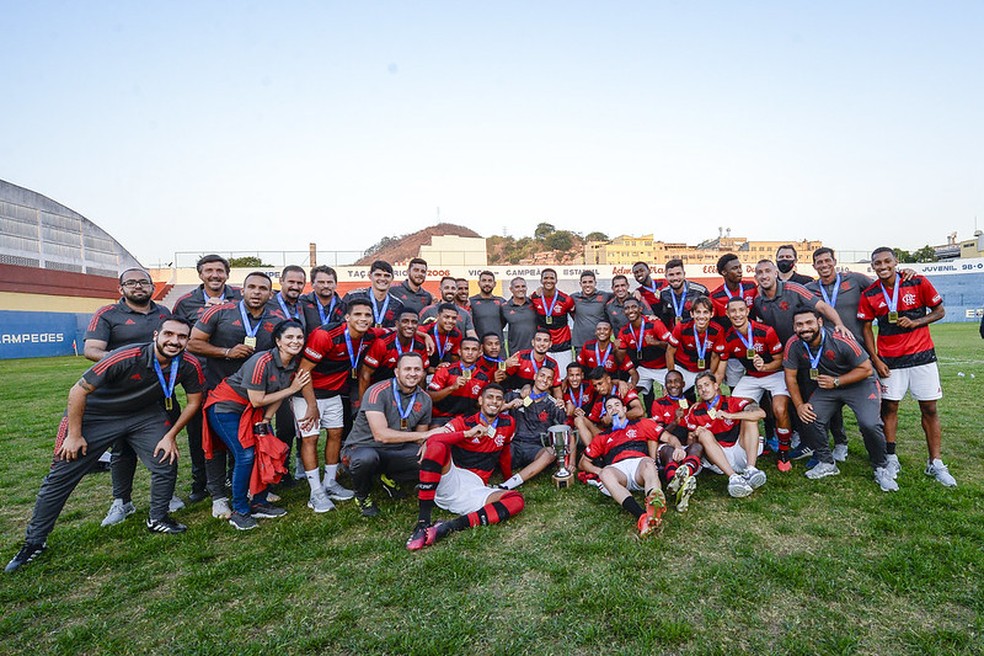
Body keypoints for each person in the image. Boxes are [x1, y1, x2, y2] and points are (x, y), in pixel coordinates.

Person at [5, 318, 204, 573]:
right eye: (169, 334)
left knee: (165, 458)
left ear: (188, 340)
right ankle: (35, 542)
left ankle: (158, 518)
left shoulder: (188, 363)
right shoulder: (125, 356)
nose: (174, 341)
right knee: (61, 476)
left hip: (144, 415)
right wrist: (74, 435)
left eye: (181, 337)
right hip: (97, 415)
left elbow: (193, 402)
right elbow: (77, 392)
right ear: (156, 334)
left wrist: (171, 435)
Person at [84, 269, 182, 525]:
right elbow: (91, 350)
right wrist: (131, 362)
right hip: (123, 393)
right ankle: (121, 501)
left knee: (165, 443)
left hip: (160, 391)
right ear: (121, 289)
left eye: (143, 282)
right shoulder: (107, 314)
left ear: (152, 286)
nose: (138, 287)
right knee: (122, 448)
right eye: (131, 283)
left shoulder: (163, 313)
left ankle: (166, 495)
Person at [189, 272, 285, 520]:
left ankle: (255, 492)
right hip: (221, 393)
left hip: (255, 396)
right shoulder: (220, 312)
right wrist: (226, 351)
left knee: (256, 446)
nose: (256, 292)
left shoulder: (277, 319)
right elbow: (192, 343)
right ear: (241, 290)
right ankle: (219, 497)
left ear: (270, 294)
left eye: (262, 288)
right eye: (251, 287)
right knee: (218, 447)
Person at [858, 247, 956, 487]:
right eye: (877, 263)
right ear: (872, 267)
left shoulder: (917, 281)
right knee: (889, 408)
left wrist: (916, 322)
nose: (882, 266)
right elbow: (866, 328)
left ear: (896, 262)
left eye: (887, 261)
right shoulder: (870, 293)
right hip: (890, 361)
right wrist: (876, 359)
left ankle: (935, 462)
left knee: (930, 409)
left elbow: (939, 311)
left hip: (923, 358)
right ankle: (891, 458)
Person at [204, 320, 311, 529]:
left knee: (266, 448)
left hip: (255, 411)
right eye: (289, 337)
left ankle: (260, 502)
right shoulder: (261, 361)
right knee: (246, 455)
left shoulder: (292, 363)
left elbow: (276, 396)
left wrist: (266, 420)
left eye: (299, 337)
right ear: (278, 341)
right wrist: (292, 389)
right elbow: (258, 399)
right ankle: (240, 510)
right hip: (226, 408)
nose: (295, 341)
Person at [783, 310, 899, 491]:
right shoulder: (794, 344)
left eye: (809, 323)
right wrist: (799, 405)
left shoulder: (841, 339)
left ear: (819, 322)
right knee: (809, 415)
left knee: (869, 424)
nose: (804, 328)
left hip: (860, 383)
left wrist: (837, 381)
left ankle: (881, 466)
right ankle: (827, 463)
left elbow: (866, 369)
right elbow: (790, 377)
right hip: (829, 386)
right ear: (793, 327)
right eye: (799, 325)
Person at [406, 383, 525, 550]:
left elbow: (505, 452)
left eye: (499, 399)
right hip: (452, 478)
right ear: (481, 400)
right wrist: (467, 434)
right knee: (437, 447)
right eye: (490, 397)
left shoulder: (508, 422)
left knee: (516, 500)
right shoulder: (466, 421)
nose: (494, 402)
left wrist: (507, 478)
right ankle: (423, 523)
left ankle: (449, 527)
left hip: (475, 488)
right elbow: (434, 440)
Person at [295, 298, 382, 513]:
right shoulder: (325, 336)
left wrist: (425, 334)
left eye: (368, 315)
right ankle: (315, 492)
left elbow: (391, 331)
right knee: (311, 439)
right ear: (347, 317)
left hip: (334, 394)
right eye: (358, 315)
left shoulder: (369, 335)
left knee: (335, 435)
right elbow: (303, 371)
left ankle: (330, 482)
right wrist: (311, 404)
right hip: (307, 393)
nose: (363, 319)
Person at [804, 248, 875, 462]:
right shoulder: (808, 289)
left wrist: (905, 274)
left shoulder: (855, 279)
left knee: (864, 401)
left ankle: (877, 447)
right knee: (831, 402)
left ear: (835, 261)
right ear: (814, 266)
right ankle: (840, 442)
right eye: (819, 262)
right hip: (826, 355)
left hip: (857, 352)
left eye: (827, 260)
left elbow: (883, 287)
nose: (824, 265)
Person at [342, 352, 433, 517]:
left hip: (395, 450)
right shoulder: (378, 391)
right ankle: (362, 496)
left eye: (417, 369)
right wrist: (427, 435)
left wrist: (427, 441)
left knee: (430, 455)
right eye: (407, 369)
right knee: (366, 459)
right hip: (363, 448)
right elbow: (381, 435)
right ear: (397, 372)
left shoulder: (425, 399)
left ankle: (390, 477)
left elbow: (421, 437)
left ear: (423, 373)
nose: (413, 373)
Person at [715, 297, 793, 470]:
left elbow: (780, 360)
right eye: (733, 311)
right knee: (733, 407)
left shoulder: (765, 331)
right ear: (727, 314)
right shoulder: (728, 337)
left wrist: (765, 366)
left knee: (779, 409)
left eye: (741, 310)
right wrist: (715, 386)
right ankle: (749, 446)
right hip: (751, 376)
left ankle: (783, 452)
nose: (737, 314)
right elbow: (721, 367)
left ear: (747, 311)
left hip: (775, 373)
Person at [578, 397, 668, 538]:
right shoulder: (602, 436)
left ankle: (653, 504)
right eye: (609, 407)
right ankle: (642, 516)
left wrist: (679, 447)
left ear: (625, 409)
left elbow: (668, 437)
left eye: (617, 405)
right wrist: (599, 471)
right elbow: (583, 463)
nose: (614, 408)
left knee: (649, 464)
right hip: (619, 471)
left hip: (639, 466)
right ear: (606, 415)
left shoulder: (641, 424)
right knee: (606, 474)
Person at [683, 372, 767, 498]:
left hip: (740, 450)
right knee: (704, 434)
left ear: (716, 386)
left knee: (750, 418)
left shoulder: (731, 401)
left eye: (706, 385)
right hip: (719, 458)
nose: (703, 389)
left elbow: (761, 413)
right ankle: (733, 478)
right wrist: (693, 437)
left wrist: (731, 415)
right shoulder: (695, 411)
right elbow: (691, 446)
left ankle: (750, 469)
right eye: (699, 387)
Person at [497, 365, 571, 490]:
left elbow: (563, 431)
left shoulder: (554, 405)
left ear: (552, 383)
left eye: (549, 378)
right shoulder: (516, 395)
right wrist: (508, 406)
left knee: (551, 452)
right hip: (513, 445)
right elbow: (490, 410)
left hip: (535, 448)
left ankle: (510, 484)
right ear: (535, 376)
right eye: (542, 376)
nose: (544, 380)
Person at [752, 259, 847, 347]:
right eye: (760, 273)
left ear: (776, 273)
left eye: (768, 271)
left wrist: (839, 324)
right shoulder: (758, 301)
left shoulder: (794, 289)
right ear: (756, 278)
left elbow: (823, 307)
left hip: (803, 346)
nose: (764, 276)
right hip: (779, 350)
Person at [650, 370, 703, 512]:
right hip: (667, 446)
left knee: (697, 447)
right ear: (665, 385)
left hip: (685, 446)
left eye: (676, 381)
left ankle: (681, 478)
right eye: (669, 382)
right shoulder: (658, 403)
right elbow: (658, 434)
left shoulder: (691, 404)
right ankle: (676, 480)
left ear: (683, 384)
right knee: (669, 450)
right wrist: (675, 421)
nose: (673, 385)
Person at [360, 310, 429, 394]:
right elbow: (365, 375)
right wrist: (364, 405)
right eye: (405, 321)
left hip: (406, 389)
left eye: (414, 322)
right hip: (381, 389)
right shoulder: (382, 343)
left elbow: (423, 373)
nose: (410, 326)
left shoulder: (421, 344)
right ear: (397, 324)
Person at [427, 337, 491, 427]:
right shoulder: (445, 370)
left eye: (474, 349)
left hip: (465, 420)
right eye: (466, 349)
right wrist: (452, 388)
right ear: (459, 352)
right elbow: (430, 397)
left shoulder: (483, 378)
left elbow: (478, 405)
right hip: (441, 418)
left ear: (480, 353)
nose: (470, 353)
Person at [665, 296, 725, 393]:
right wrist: (672, 375)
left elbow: (715, 357)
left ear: (712, 314)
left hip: (704, 369)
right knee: (670, 393)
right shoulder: (681, 326)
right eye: (698, 312)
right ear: (692, 314)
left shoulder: (717, 330)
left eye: (705, 312)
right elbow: (669, 352)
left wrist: (709, 376)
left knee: (715, 393)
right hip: (683, 367)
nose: (701, 316)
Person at [616, 298, 673, 399]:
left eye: (633, 307)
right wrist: (616, 349)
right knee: (626, 394)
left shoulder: (654, 323)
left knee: (673, 394)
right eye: (627, 308)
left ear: (640, 309)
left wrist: (656, 343)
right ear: (624, 312)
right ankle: (633, 413)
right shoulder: (624, 331)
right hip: (644, 368)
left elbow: (671, 345)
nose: (630, 311)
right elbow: (621, 358)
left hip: (663, 368)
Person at [576, 367, 645, 442]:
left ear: (608, 380)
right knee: (579, 420)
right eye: (595, 386)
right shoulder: (599, 399)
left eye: (600, 383)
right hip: (607, 435)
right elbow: (594, 423)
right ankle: (591, 452)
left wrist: (614, 417)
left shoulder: (623, 390)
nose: (598, 388)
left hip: (627, 431)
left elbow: (639, 411)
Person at [529, 268, 577, 372]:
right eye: (545, 278)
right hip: (544, 345)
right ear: (541, 281)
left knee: (564, 376)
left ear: (556, 280)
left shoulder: (566, 299)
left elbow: (576, 318)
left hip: (563, 344)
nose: (549, 281)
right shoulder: (535, 297)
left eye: (552, 278)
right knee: (544, 376)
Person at [342, 260, 405, 329]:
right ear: (370, 276)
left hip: (384, 339)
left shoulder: (397, 305)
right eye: (378, 275)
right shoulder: (353, 296)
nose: (382, 279)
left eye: (387, 276)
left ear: (392, 278)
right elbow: (341, 323)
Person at [655, 259, 709, 331]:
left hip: (698, 334)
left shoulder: (699, 291)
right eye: (671, 275)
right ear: (666, 276)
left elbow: (711, 314)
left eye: (678, 274)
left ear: (684, 274)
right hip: (678, 335)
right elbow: (664, 318)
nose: (675, 278)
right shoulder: (664, 294)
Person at [502, 329, 561, 394]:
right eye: (538, 340)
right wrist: (504, 365)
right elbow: (501, 377)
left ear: (550, 344)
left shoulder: (553, 364)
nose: (542, 344)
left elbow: (557, 388)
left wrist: (559, 400)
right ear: (533, 342)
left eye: (545, 341)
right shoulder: (520, 356)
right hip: (518, 393)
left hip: (539, 396)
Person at [577, 320, 636, 384]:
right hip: (592, 386)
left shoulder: (616, 349)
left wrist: (632, 384)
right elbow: (577, 368)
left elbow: (633, 372)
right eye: (599, 329)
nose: (602, 332)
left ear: (611, 332)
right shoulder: (587, 346)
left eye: (605, 329)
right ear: (595, 332)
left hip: (611, 387)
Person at [709, 253, 757, 329]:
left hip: (753, 337)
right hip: (728, 339)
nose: (740, 271)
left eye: (740, 267)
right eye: (735, 268)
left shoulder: (751, 287)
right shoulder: (715, 297)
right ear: (724, 272)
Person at [570, 271, 612, 351]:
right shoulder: (574, 297)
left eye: (590, 282)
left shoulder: (604, 296)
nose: (587, 285)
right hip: (580, 343)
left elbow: (622, 295)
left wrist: (636, 292)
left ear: (595, 283)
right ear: (580, 284)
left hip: (600, 342)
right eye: (584, 282)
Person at [300, 265, 345, 333]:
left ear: (336, 284)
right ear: (312, 284)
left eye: (329, 282)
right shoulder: (302, 303)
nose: (326, 286)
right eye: (321, 282)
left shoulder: (344, 306)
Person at [500, 277, 537, 357]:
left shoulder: (534, 303)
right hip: (515, 352)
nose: (521, 289)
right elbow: (499, 328)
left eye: (523, 286)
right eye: (517, 287)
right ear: (511, 289)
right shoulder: (504, 307)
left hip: (535, 352)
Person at [469, 271, 506, 342]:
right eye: (484, 280)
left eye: (490, 281)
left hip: (498, 346)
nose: (487, 283)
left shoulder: (501, 301)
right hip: (479, 345)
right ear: (479, 283)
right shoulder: (471, 302)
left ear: (494, 284)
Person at [426, 303, 464, 371]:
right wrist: (425, 336)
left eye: (454, 318)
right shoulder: (426, 331)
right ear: (438, 316)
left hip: (443, 368)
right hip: (425, 367)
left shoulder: (457, 334)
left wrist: (449, 367)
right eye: (446, 317)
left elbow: (455, 359)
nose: (450, 321)